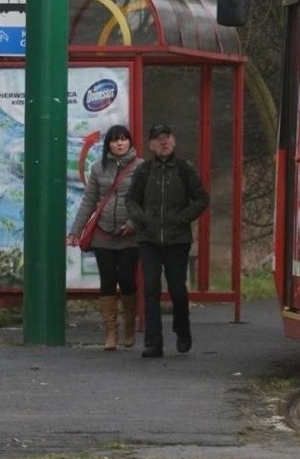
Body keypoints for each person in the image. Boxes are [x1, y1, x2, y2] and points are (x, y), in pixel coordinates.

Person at [126, 123, 209, 358]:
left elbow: (201, 198)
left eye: (167, 138)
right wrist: (141, 220)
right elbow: (131, 200)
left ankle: (182, 330)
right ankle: (153, 342)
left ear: (174, 141)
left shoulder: (184, 169)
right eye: (158, 139)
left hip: (177, 240)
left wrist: (182, 218)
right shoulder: (143, 171)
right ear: (151, 144)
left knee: (177, 290)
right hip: (148, 239)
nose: (163, 142)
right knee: (150, 289)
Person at [67, 124, 142, 351]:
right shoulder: (99, 168)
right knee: (108, 280)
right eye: (114, 140)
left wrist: (133, 223)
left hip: (130, 235)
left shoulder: (141, 167)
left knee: (128, 280)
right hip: (103, 233)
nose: (119, 143)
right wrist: (75, 231)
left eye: (123, 139)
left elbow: (146, 201)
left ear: (130, 142)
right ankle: (111, 333)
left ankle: (129, 326)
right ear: (108, 144)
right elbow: (89, 201)